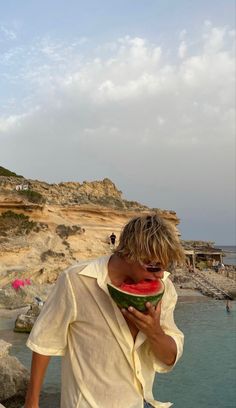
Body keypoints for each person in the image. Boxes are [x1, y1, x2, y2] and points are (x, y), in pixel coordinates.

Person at [24, 214, 185, 408]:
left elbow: (168, 358)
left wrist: (154, 331)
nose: (160, 275)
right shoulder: (76, 281)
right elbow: (43, 342)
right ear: (132, 254)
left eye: (165, 267)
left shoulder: (164, 288)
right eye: (153, 267)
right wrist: (31, 403)